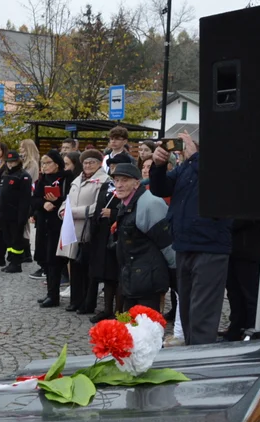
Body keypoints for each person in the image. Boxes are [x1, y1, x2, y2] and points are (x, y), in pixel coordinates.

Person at [149, 132, 232, 345]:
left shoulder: (222, 167)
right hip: (184, 244)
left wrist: (195, 157)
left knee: (202, 312)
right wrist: (158, 166)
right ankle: (191, 354)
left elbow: (215, 188)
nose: (183, 149)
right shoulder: (185, 167)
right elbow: (160, 188)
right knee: (186, 310)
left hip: (210, 246)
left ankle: (201, 361)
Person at [111, 162, 175, 311]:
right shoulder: (126, 202)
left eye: (124, 180)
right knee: (129, 327)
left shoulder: (150, 203)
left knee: (146, 328)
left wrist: (176, 276)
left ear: (136, 183)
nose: (119, 185)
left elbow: (167, 243)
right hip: (132, 277)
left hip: (149, 280)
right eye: (116, 180)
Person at [61, 150, 108, 313]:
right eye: (85, 162)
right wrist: (62, 211)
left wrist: (73, 212)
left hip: (89, 230)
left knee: (88, 269)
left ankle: (88, 303)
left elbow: (98, 206)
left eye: (92, 162)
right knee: (74, 267)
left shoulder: (103, 181)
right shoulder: (77, 179)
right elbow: (68, 200)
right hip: (73, 230)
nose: (88, 166)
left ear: (99, 164)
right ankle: (75, 300)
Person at [85, 152, 125, 321]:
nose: (113, 169)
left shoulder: (127, 186)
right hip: (102, 234)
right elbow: (100, 203)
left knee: (118, 275)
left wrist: (114, 214)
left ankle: (119, 311)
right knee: (107, 275)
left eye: (117, 167)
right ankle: (107, 308)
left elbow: (129, 208)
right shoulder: (107, 185)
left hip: (118, 235)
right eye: (112, 166)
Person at [31, 149, 72, 306]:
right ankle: (50, 292)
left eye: (47, 163)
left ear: (56, 164)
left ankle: (54, 296)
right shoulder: (43, 179)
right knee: (45, 260)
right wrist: (43, 203)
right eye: (43, 163)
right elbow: (34, 200)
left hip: (58, 224)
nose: (44, 166)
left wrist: (57, 200)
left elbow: (70, 198)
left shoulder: (66, 178)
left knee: (54, 261)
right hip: (44, 223)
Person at [222, 221, 260, 340]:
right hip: (231, 249)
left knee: (251, 295)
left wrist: (222, 223)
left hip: (248, 250)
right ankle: (236, 328)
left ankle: (253, 330)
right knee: (234, 293)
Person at [0, 149, 33, 273]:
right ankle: (11, 260)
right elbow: (1, 195)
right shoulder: (5, 174)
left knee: (16, 240)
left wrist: (22, 217)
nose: (10, 164)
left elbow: (25, 199)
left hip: (16, 214)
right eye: (8, 162)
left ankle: (17, 263)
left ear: (18, 162)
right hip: (5, 213)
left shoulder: (23, 176)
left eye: (13, 162)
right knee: (8, 239)